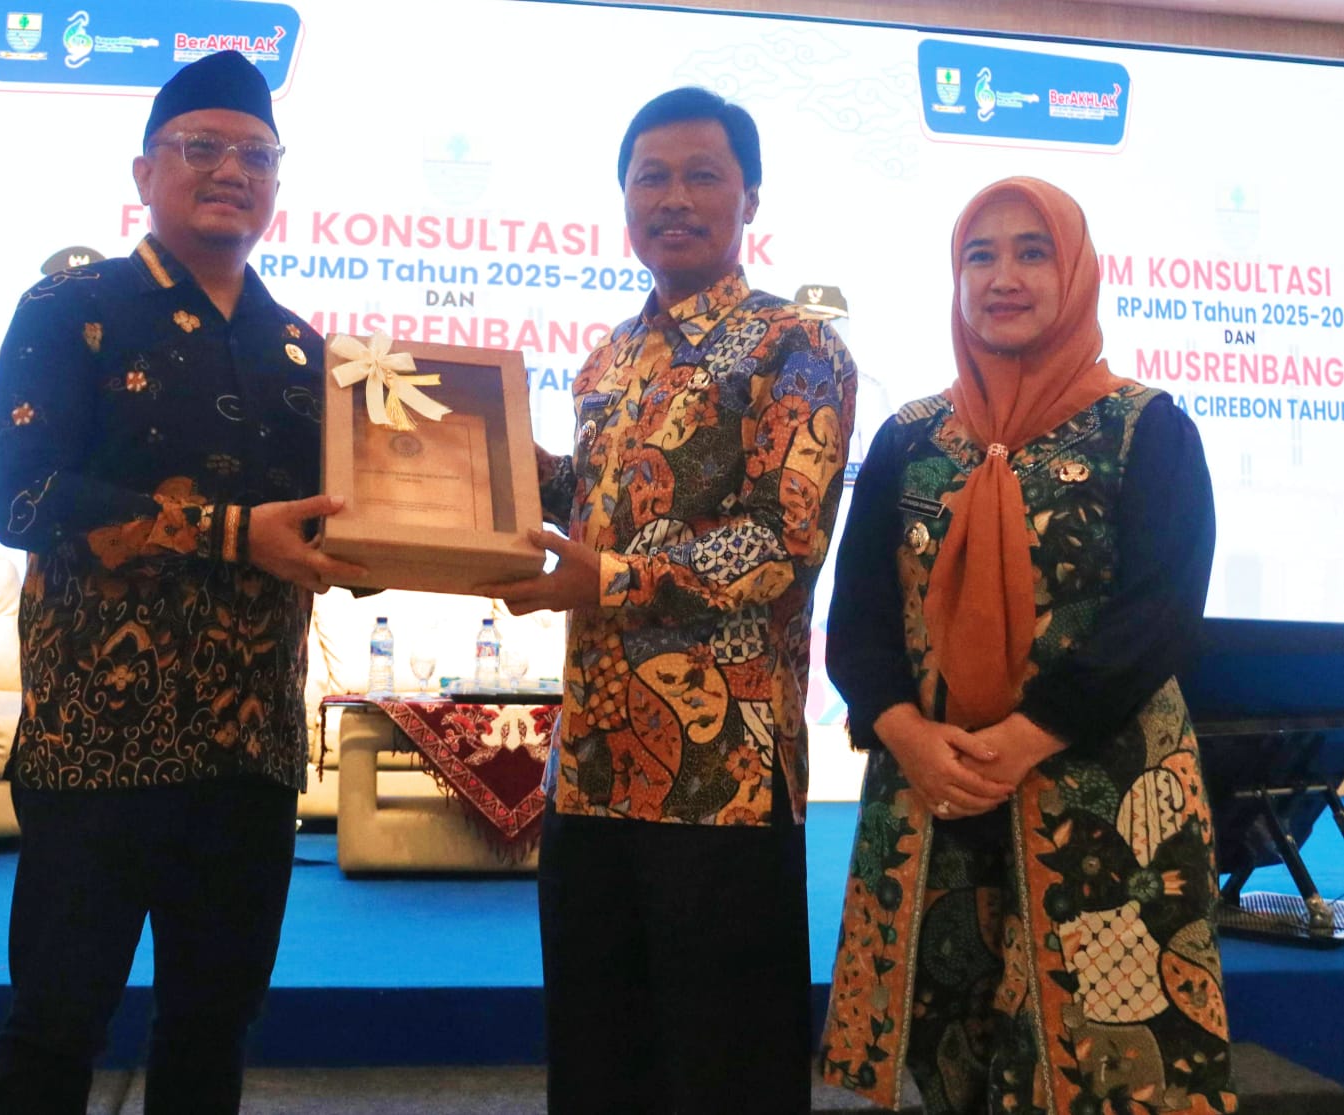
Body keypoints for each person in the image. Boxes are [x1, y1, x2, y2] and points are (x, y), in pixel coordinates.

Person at [0, 50, 362, 1114]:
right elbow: (23, 495)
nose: (230, 170)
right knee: (56, 1021)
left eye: (255, 155)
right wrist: (234, 533)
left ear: (277, 181)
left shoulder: (306, 355)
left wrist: (481, 517)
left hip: (248, 752)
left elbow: (352, 519)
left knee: (212, 1024)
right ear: (145, 171)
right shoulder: (72, 308)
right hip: (96, 746)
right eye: (201, 148)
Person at [819, 176, 1235, 1115]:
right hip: (933, 790)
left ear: (1075, 271)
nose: (1002, 277)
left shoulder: (1146, 427)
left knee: (1107, 1067)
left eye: (1031, 252)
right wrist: (909, 738)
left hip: (1105, 798)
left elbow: (1159, 613)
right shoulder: (908, 438)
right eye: (980, 255)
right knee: (951, 1050)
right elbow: (858, 621)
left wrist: (1023, 738)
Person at [482, 86, 857, 1114]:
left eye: (702, 176)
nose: (674, 197)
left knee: (722, 1072)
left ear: (749, 198)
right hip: (591, 770)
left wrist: (606, 577)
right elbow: (594, 502)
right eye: (651, 177)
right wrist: (477, 465)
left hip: (718, 776)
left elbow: (780, 542)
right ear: (624, 198)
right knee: (597, 1062)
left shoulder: (795, 346)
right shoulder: (609, 356)